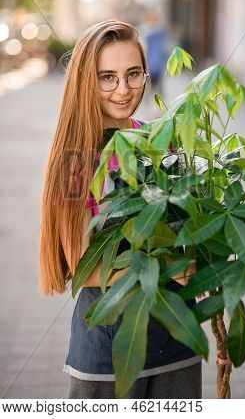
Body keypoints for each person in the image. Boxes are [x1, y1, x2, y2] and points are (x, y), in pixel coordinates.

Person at [39, 20, 203, 399]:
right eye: (107, 77)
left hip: (178, 340)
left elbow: (188, 233)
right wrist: (168, 268)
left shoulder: (161, 140)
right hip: (108, 351)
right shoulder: (75, 161)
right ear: (85, 81)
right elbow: (84, 266)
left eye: (133, 74)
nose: (123, 90)